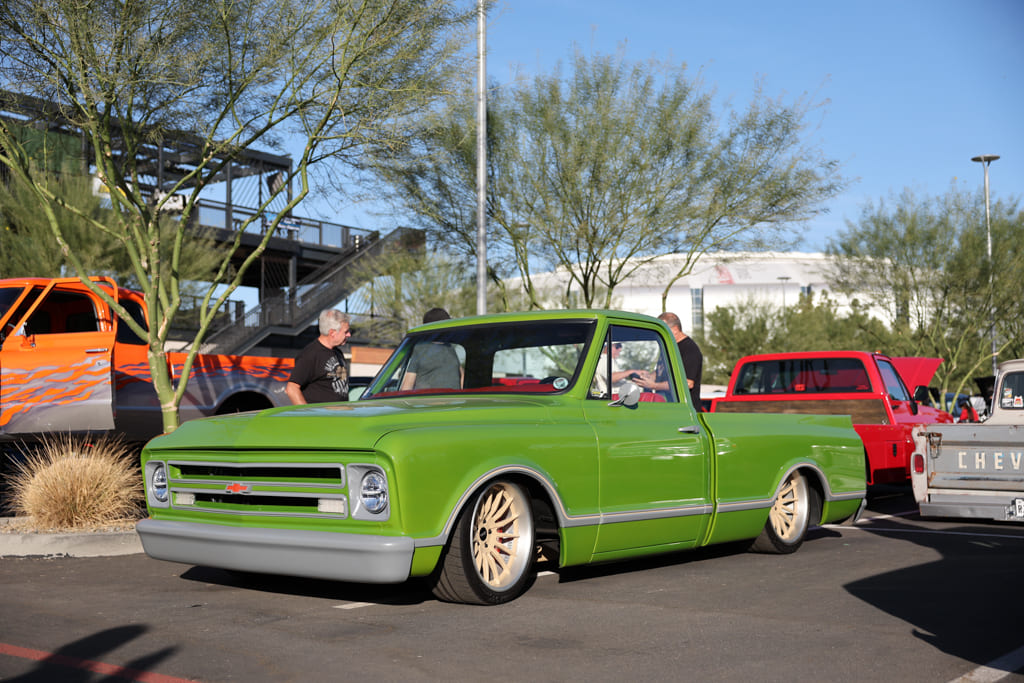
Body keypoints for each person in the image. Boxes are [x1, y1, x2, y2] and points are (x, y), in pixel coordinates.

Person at [636, 312, 702, 408]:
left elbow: (688, 383)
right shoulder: (669, 347)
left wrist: (654, 385)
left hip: (684, 410)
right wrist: (647, 377)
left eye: (663, 331)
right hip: (667, 406)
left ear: (675, 329)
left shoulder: (689, 349)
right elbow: (662, 371)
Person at [285, 309, 351, 404]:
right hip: (319, 413)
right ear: (332, 333)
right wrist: (307, 412)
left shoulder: (338, 352)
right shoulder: (310, 355)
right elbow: (292, 388)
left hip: (340, 413)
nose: (349, 334)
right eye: (346, 332)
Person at [400, 307, 463, 390]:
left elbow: (407, 386)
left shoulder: (450, 347)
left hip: (443, 397)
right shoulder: (421, 348)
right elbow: (408, 384)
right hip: (436, 397)